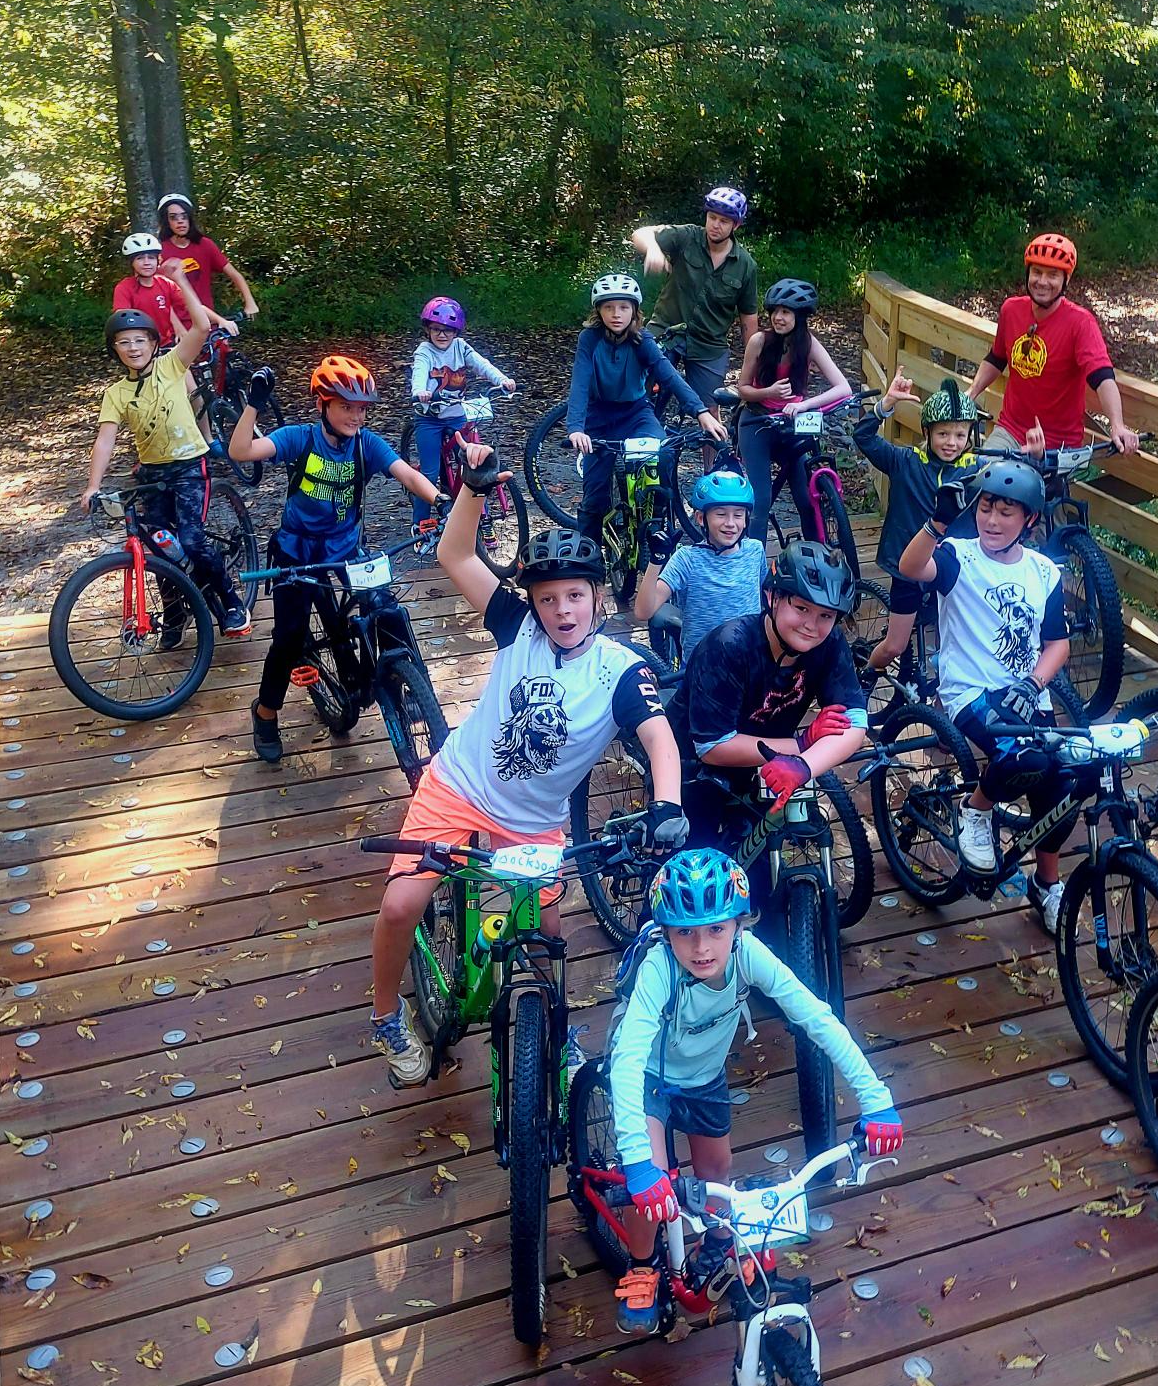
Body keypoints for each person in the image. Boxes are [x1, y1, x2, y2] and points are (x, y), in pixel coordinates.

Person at [367, 478, 688, 1087]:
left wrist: (667, 806)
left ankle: (557, 1036)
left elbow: (660, 740)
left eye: (575, 596)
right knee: (402, 904)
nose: (562, 611)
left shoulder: (621, 671)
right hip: (458, 785)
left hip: (533, 820)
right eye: (548, 599)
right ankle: (386, 1014)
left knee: (546, 937)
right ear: (533, 604)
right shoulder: (518, 628)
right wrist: (473, 490)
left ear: (598, 598)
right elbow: (455, 554)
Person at [605, 848, 901, 1334]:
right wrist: (637, 1161)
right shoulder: (660, 967)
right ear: (666, 933)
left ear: (739, 925)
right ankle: (641, 1266)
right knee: (651, 1184)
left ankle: (717, 1244)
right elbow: (628, 1058)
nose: (702, 947)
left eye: (716, 929)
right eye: (685, 933)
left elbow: (815, 1016)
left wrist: (876, 1099)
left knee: (717, 1173)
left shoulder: (749, 954)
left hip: (703, 1077)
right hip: (649, 1080)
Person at [226, 356, 446, 764]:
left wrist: (440, 500)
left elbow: (408, 474)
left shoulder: (366, 444)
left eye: (362, 408)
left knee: (384, 607)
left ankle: (409, 689)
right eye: (346, 407)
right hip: (296, 553)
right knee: (289, 638)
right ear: (322, 405)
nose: (356, 416)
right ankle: (266, 712)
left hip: (345, 550)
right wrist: (254, 403)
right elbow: (241, 450)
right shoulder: (300, 438)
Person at [896, 456, 1073, 922]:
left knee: (1062, 782)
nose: (992, 520)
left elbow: (1057, 644)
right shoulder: (960, 557)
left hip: (1026, 695)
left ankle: (1046, 884)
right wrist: (938, 522)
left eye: (1005, 512)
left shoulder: (1043, 572)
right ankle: (975, 811)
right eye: (985, 508)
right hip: (971, 692)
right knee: (1025, 760)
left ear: (1029, 520)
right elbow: (911, 566)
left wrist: (1034, 683)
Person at [669, 539, 869, 916]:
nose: (811, 625)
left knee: (758, 881)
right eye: (801, 607)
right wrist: (802, 744)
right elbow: (713, 747)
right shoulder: (729, 645)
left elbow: (855, 722)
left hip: (763, 763)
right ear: (772, 597)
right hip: (689, 765)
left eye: (826, 615)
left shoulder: (828, 644)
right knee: (691, 883)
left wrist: (804, 765)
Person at [81, 262, 251, 637]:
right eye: (124, 342)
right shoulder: (116, 393)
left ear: (154, 343)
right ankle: (175, 612)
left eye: (140, 340)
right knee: (158, 544)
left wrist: (179, 281)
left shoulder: (171, 365)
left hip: (189, 467)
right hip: (152, 473)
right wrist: (93, 486)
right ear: (114, 350)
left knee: (190, 539)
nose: (133, 348)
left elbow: (201, 327)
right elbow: (105, 439)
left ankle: (231, 599)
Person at [566, 272, 727, 539]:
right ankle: (589, 556)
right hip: (599, 417)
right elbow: (580, 383)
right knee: (594, 497)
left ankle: (655, 524)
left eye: (623, 307)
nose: (616, 314)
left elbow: (669, 375)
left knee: (662, 455)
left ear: (634, 311)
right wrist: (576, 428)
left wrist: (700, 411)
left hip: (636, 413)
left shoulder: (642, 339)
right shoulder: (590, 338)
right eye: (608, 307)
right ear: (598, 311)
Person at [853, 370, 983, 682]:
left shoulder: (978, 470)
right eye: (943, 434)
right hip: (908, 569)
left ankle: (941, 703)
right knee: (894, 646)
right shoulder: (905, 460)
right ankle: (864, 682)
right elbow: (864, 438)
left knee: (952, 645)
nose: (951, 443)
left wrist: (1034, 456)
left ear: (970, 436)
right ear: (927, 432)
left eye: (960, 435)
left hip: (950, 568)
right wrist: (886, 404)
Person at [967, 231, 1140, 460]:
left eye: (1053, 275)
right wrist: (970, 393)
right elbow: (996, 358)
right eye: (1037, 272)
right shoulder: (1011, 310)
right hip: (1011, 431)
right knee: (984, 477)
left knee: (1026, 484)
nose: (1042, 281)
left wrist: (1117, 425)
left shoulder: (1080, 323)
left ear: (1065, 280)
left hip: (1058, 446)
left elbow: (1101, 376)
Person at [733, 278, 851, 541]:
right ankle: (753, 564)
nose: (778, 317)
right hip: (757, 422)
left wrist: (804, 404)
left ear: (800, 316)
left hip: (791, 424)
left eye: (785, 312)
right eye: (774, 311)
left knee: (807, 499)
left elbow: (843, 387)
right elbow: (743, 389)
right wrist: (769, 392)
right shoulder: (759, 341)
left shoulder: (808, 344)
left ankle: (818, 557)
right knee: (760, 502)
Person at [630, 187, 760, 413]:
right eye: (712, 217)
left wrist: (753, 367)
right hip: (665, 331)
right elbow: (641, 234)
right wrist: (653, 249)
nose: (716, 225)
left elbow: (748, 320)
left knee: (710, 408)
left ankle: (711, 438)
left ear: (736, 225)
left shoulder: (745, 265)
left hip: (708, 344)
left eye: (724, 221)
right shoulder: (687, 236)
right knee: (636, 392)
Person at [635, 468, 768, 667]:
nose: (730, 523)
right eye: (721, 514)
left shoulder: (755, 551)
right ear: (700, 518)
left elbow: (767, 599)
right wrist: (657, 559)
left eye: (738, 515)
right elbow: (642, 612)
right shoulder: (687, 560)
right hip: (702, 667)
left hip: (748, 664)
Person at [407, 294, 516, 526]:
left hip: (456, 415)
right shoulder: (425, 351)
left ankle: (479, 516)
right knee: (429, 473)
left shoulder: (461, 347)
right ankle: (420, 523)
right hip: (429, 418)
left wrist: (502, 380)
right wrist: (419, 391)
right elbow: (420, 372)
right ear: (427, 329)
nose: (442, 334)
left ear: (456, 331)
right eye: (436, 329)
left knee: (474, 463)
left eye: (448, 330)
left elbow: (482, 364)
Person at [157, 192, 259, 322]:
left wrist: (250, 303)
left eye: (184, 216)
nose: (180, 221)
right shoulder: (159, 251)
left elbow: (234, 274)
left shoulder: (205, 245)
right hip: (176, 323)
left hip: (208, 319)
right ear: (166, 221)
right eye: (173, 217)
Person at [111, 231, 192, 347]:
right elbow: (122, 319)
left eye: (151, 258)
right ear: (131, 263)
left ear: (158, 260)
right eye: (140, 258)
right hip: (140, 347)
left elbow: (191, 306)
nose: (147, 263)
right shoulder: (124, 288)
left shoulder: (166, 284)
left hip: (166, 344)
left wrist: (218, 320)